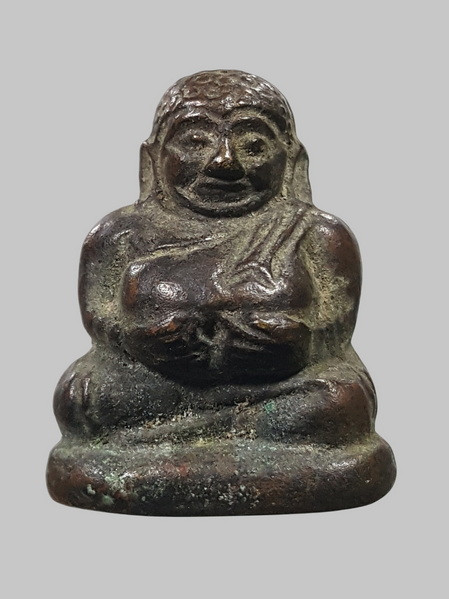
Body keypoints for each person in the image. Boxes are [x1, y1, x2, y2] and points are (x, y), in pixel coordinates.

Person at [48, 71, 395, 514]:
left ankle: (169, 439)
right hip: (159, 382)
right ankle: (225, 431)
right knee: (84, 396)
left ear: (291, 159)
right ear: (153, 157)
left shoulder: (316, 233)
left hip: (283, 385)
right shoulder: (120, 234)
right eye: (195, 142)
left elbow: (337, 328)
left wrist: (298, 339)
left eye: (253, 145)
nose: (223, 162)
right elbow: (99, 320)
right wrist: (137, 341)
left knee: (339, 401)